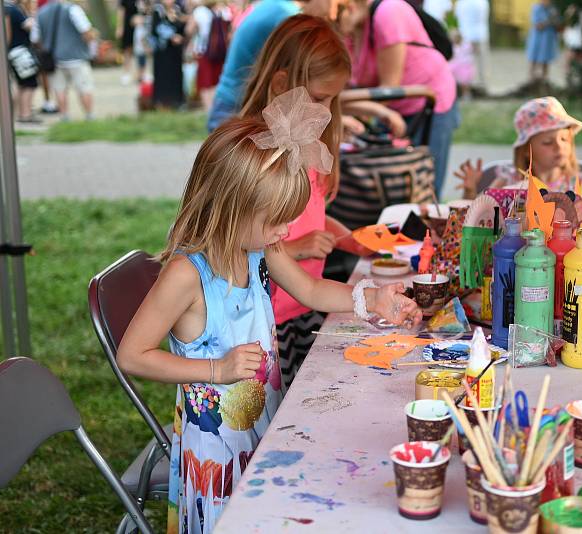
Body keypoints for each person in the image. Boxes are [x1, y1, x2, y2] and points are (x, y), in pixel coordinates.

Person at [116, 87, 421, 533]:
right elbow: (132, 355)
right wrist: (217, 370)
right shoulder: (187, 275)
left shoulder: (258, 247)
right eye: (278, 219)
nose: (286, 231)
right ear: (231, 208)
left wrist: (370, 298)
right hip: (215, 448)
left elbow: (313, 290)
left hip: (262, 419)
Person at [238, 14, 372, 390]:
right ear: (282, 83)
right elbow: (233, 240)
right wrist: (294, 249)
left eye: (332, 99)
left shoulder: (305, 148)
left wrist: (347, 238)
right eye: (317, 98)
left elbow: (312, 214)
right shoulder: (254, 156)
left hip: (304, 306)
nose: (327, 111)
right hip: (266, 318)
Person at [338, 0, 459, 197]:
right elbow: (346, 85)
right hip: (393, 109)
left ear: (349, 6)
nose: (331, 22)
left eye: (334, 15)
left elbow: (388, 89)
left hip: (429, 101)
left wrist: (337, 103)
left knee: (423, 186)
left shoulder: (389, 12)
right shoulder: (352, 29)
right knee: (394, 186)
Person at [456, 96, 582, 204]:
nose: (559, 147)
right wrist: (470, 190)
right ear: (526, 149)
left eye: (564, 139)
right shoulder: (510, 181)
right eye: (548, 142)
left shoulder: (578, 181)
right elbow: (476, 213)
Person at [206, 0, 335, 131]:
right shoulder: (288, 16)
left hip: (230, 103)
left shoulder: (275, 5)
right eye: (333, 3)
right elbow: (303, 83)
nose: (332, 13)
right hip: (238, 109)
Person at [37, 0, 96, 121]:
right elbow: (86, 31)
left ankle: (64, 117)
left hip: (54, 59)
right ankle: (89, 116)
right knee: (84, 88)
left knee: (60, 90)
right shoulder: (73, 9)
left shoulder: (41, 12)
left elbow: (36, 38)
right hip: (76, 57)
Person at [187, 0, 231, 110]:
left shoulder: (200, 11)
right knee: (217, 80)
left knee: (205, 82)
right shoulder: (225, 10)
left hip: (204, 51)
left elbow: (189, 30)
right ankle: (217, 107)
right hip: (221, 52)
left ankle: (209, 109)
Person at [4, 0, 40, 122]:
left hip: (12, 52)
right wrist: (31, 18)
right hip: (20, 52)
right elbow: (28, 26)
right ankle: (25, 114)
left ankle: (21, 113)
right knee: (29, 83)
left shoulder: (7, 8)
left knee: (22, 84)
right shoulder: (13, 10)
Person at [150, 0, 186, 108]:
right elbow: (156, 28)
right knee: (163, 76)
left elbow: (181, 26)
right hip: (162, 51)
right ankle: (162, 101)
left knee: (176, 75)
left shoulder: (177, 10)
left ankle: (177, 101)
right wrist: (172, 36)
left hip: (175, 51)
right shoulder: (158, 11)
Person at [454, 0, 488, 95]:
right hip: (478, 34)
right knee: (476, 64)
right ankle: (479, 86)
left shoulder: (462, 3)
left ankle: (470, 86)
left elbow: (458, 16)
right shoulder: (481, 2)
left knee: (466, 64)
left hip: (467, 35)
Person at [525, 0, 559, 86]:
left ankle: (544, 82)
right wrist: (549, 20)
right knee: (533, 60)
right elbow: (538, 25)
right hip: (537, 39)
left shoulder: (553, 9)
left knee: (545, 61)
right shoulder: (536, 8)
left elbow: (558, 25)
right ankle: (531, 82)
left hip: (548, 40)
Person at [116, 0, 139, 84]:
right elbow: (121, 11)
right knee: (127, 49)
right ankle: (126, 72)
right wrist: (120, 27)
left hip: (141, 25)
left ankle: (140, 73)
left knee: (141, 50)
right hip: (128, 25)